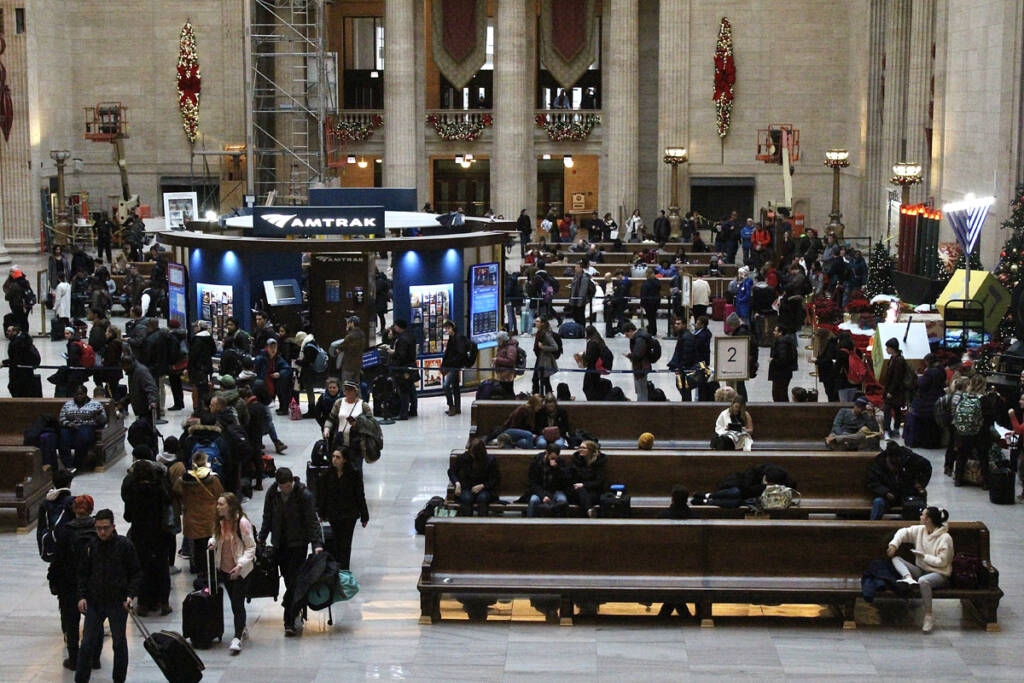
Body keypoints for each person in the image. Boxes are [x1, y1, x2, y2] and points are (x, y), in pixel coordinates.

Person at [74, 508, 141, 683]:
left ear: (113, 526)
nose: (102, 532)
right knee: (87, 643)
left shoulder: (125, 546)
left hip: (117, 602)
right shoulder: (91, 547)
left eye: (105, 528)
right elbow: (82, 574)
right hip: (94, 602)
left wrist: (130, 595)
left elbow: (135, 573)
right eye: (98, 528)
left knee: (119, 643)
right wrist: (81, 596)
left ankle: (119, 679)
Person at [258, 468, 323, 636]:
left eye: (288, 486)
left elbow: (311, 520)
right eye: (283, 487)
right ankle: (295, 608)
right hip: (280, 544)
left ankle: (289, 618)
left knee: (294, 579)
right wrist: (262, 537)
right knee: (288, 579)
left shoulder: (303, 495)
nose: (285, 489)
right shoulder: (273, 493)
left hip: (298, 544)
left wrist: (317, 543)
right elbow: (268, 516)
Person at [120, 446, 173, 616]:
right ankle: (163, 602)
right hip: (159, 533)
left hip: (139, 534)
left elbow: (128, 516)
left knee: (142, 568)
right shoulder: (159, 489)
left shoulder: (133, 492)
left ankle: (143, 603)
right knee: (161, 567)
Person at [886, 507, 953, 632]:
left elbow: (943, 561)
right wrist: (894, 545)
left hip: (939, 574)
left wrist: (924, 557)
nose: (920, 517)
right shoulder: (920, 530)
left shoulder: (945, 538)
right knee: (897, 559)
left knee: (923, 581)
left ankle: (928, 615)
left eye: (923, 515)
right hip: (921, 569)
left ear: (928, 520)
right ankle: (908, 578)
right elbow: (903, 532)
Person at [49, 494, 96, 672]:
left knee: (71, 621)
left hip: (69, 583)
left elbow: (58, 559)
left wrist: (53, 580)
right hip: (93, 582)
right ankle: (95, 658)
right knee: (94, 621)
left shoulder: (66, 531)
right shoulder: (98, 528)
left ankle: (74, 659)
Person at [209, 493, 256, 654]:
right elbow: (218, 537)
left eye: (221, 504)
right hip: (225, 569)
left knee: (237, 602)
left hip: (241, 571)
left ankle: (237, 637)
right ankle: (241, 628)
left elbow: (251, 547)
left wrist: (241, 565)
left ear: (230, 506)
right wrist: (212, 542)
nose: (218, 507)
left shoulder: (242, 523)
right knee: (235, 602)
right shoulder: (220, 522)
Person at [175, 451, 224, 578]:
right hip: (209, 517)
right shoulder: (213, 479)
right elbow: (220, 494)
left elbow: (176, 491)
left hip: (191, 517)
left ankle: (198, 570)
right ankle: (212, 571)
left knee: (196, 546)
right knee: (211, 544)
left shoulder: (184, 480)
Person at [317, 449, 369, 569]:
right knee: (336, 541)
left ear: (344, 460)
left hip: (349, 514)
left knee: (346, 542)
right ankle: (336, 567)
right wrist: (321, 513)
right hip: (333, 513)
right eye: (333, 456)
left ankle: (344, 569)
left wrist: (364, 515)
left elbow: (359, 495)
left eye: (338, 457)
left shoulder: (353, 474)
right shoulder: (327, 474)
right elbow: (323, 495)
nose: (334, 459)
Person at [868, 441, 932, 520]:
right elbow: (873, 481)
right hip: (888, 496)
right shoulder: (879, 462)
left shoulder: (910, 458)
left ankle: (915, 527)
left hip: (908, 494)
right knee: (878, 502)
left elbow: (927, 466)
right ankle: (874, 527)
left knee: (916, 505)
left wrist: (920, 483)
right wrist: (885, 492)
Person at [57, 385, 107, 473]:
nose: (79, 396)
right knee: (63, 436)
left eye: (81, 394)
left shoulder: (95, 404)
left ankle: (77, 465)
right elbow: (61, 418)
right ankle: (68, 465)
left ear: (86, 394)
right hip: (70, 427)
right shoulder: (68, 404)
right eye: (77, 394)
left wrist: (97, 415)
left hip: (87, 426)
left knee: (83, 437)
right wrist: (69, 424)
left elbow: (103, 421)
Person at [323, 380, 373, 465]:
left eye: (350, 390)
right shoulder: (339, 403)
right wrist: (326, 429)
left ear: (355, 391)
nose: (348, 392)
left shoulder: (363, 405)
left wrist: (357, 424)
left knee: (356, 468)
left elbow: (371, 425)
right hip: (340, 441)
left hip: (356, 442)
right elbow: (331, 418)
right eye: (346, 390)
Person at [904, 354, 947, 448]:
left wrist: (919, 378)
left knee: (926, 424)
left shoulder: (930, 372)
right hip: (937, 398)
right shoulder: (941, 370)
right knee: (933, 425)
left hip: (926, 401)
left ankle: (924, 442)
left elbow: (921, 384)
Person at [449, 438, 500, 516]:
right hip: (467, 487)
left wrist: (482, 486)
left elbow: (495, 478)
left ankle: (482, 523)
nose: (472, 455)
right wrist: (457, 483)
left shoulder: (490, 460)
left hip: (484, 488)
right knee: (467, 498)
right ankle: (467, 523)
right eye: (471, 452)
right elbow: (452, 471)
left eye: (474, 453)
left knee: (483, 498)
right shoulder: (463, 458)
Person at [525, 445, 571, 517]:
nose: (553, 460)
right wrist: (543, 496)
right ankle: (530, 523)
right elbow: (533, 483)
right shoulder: (536, 462)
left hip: (555, 491)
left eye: (555, 457)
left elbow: (565, 481)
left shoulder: (561, 462)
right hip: (540, 490)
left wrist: (557, 469)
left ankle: (561, 525)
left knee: (563, 500)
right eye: (551, 457)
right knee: (533, 501)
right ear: (546, 453)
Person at [881, 338, 911, 439]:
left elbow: (897, 378)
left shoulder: (898, 361)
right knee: (895, 410)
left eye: (888, 347)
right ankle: (894, 429)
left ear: (892, 348)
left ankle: (889, 430)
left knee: (889, 410)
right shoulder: (893, 359)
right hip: (894, 390)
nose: (886, 349)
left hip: (895, 391)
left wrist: (890, 391)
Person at [388, 319, 418, 420]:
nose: (394, 328)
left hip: (403, 368)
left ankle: (403, 413)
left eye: (395, 326)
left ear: (399, 327)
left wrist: (392, 353)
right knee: (411, 389)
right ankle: (413, 410)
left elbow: (401, 355)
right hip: (411, 366)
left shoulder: (402, 339)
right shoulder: (410, 336)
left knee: (403, 391)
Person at [254, 338, 292, 415]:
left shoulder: (278, 358)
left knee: (283, 383)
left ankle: (283, 408)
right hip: (263, 381)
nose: (273, 349)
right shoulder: (260, 358)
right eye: (271, 347)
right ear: (267, 348)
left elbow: (287, 368)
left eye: (275, 347)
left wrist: (280, 374)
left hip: (273, 381)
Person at [575, 325, 611, 400]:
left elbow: (590, 358)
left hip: (592, 369)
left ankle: (593, 401)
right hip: (597, 369)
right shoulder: (599, 340)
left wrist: (582, 357)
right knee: (594, 385)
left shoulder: (592, 343)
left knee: (588, 387)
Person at [441, 319, 469, 416]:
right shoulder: (452, 338)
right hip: (453, 365)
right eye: (446, 329)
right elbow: (448, 353)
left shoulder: (458, 338)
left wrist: (448, 364)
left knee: (446, 385)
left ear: (452, 328)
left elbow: (459, 354)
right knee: (455, 386)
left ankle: (451, 406)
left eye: (448, 328)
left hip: (454, 366)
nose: (447, 330)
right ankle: (457, 407)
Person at [4, 323, 41, 397]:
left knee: (16, 389)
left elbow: (15, 359)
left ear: (15, 332)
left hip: (19, 373)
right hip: (27, 371)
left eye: (9, 331)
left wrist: (4, 362)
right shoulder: (25, 340)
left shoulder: (16, 343)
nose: (7, 333)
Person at [569, 440, 606, 513]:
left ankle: (589, 510)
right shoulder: (575, 460)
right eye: (580, 447)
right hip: (576, 491)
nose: (580, 449)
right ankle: (589, 510)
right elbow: (571, 478)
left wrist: (584, 485)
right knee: (581, 491)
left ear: (590, 450)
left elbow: (599, 482)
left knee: (586, 496)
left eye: (583, 448)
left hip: (593, 491)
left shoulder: (598, 463)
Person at [624, 322, 653, 401]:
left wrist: (630, 356)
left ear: (630, 331)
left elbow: (638, 354)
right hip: (641, 366)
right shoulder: (639, 337)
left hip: (641, 367)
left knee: (641, 389)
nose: (627, 337)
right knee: (640, 389)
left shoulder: (640, 339)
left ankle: (642, 407)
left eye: (627, 335)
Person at [768, 324, 797, 402]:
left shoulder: (782, 343)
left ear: (780, 333)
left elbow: (783, 359)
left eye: (775, 331)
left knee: (778, 394)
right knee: (782, 393)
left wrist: (773, 360)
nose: (773, 332)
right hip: (784, 373)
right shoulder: (786, 341)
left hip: (780, 373)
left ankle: (782, 411)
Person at [532, 318, 559, 397]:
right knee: (541, 380)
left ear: (542, 323)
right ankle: (541, 396)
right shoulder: (540, 332)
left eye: (538, 321)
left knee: (542, 379)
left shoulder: (546, 334)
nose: (535, 322)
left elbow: (555, 347)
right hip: (540, 358)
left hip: (545, 359)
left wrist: (543, 347)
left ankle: (540, 397)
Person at [336, 315, 366, 386]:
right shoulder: (362, 334)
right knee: (356, 387)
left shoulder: (350, 336)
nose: (347, 325)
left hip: (348, 366)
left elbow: (339, 349)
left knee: (347, 387)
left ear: (352, 323)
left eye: (348, 323)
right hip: (358, 365)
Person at [492, 330, 520, 398]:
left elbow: (510, 361)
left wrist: (497, 360)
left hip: (507, 375)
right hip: (502, 375)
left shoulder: (511, 348)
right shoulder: (502, 347)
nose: (497, 341)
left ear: (503, 340)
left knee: (508, 392)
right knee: (503, 392)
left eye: (498, 339)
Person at [374, 269, 391, 333]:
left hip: (379, 302)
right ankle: (381, 329)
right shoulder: (382, 281)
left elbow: (376, 290)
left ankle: (382, 329)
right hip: (381, 302)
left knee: (380, 316)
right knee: (381, 316)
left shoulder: (379, 282)